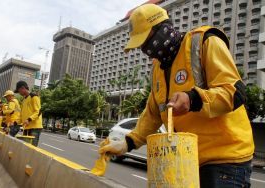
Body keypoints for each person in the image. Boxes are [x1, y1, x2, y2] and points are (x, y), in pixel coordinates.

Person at [99, 4, 254, 188]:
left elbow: (235, 92)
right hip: (188, 159)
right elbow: (153, 114)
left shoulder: (203, 42)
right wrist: (127, 143)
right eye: (142, 46)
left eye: (147, 42)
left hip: (225, 159)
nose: (147, 51)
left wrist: (192, 99)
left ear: (163, 30)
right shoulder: (158, 69)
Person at [14, 81, 42, 146]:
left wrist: (28, 119)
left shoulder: (34, 97)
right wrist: (15, 122)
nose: (19, 93)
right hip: (26, 127)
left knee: (32, 148)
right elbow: (22, 116)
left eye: (19, 91)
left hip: (35, 127)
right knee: (26, 147)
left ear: (23, 88)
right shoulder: (23, 100)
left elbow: (38, 112)